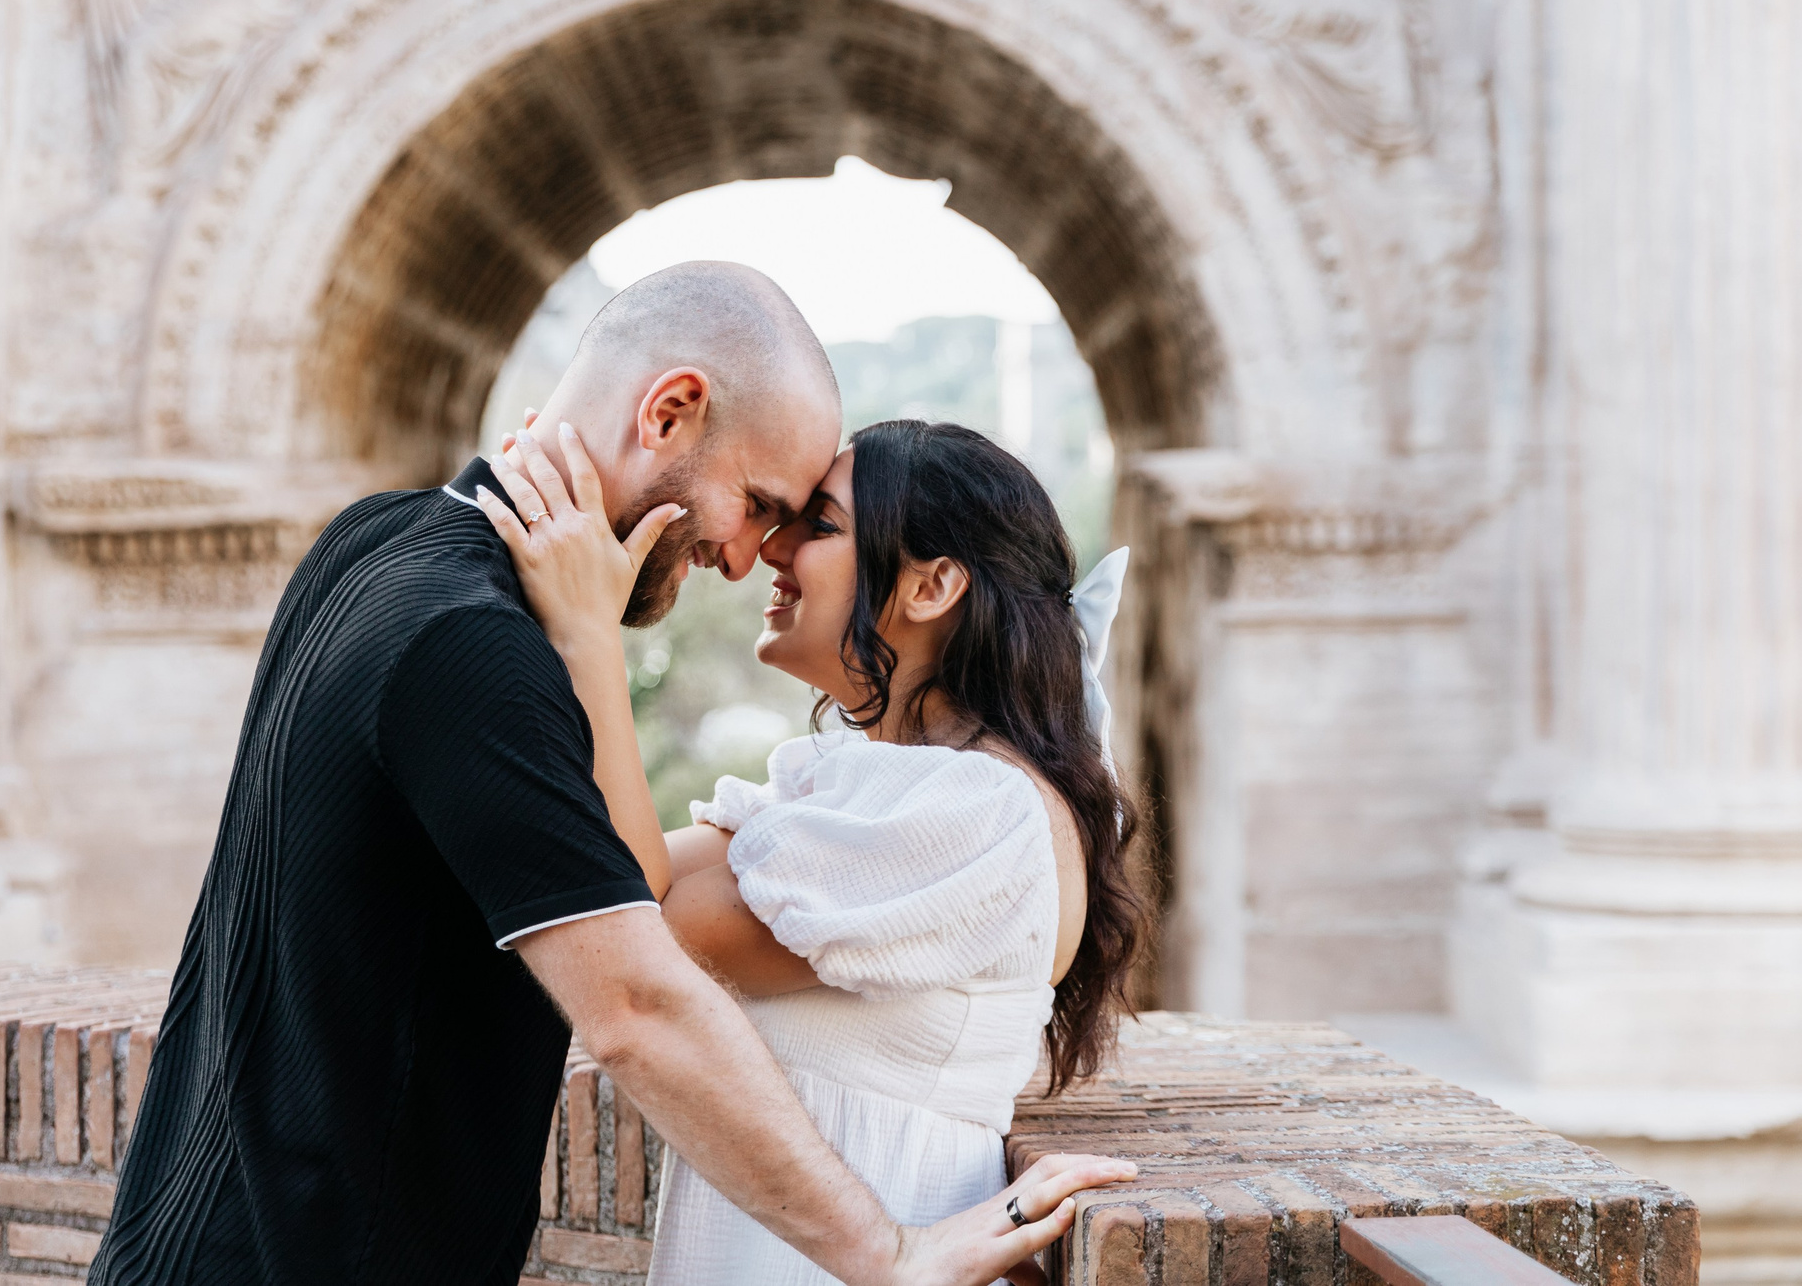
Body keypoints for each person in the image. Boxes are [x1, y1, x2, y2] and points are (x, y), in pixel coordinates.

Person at [88, 261, 1133, 1286]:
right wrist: (888, 1254)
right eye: (761, 502)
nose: (745, 558)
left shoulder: (368, 541)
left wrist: (585, 635)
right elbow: (634, 1001)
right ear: (670, 412)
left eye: (799, 523)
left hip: (185, 1234)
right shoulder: (472, 645)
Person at [479, 414, 1148, 1286]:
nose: (771, 548)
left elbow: (631, 920)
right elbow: (622, 876)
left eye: (820, 525)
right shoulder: (875, 779)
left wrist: (589, 635)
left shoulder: (980, 812)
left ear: (933, 583)